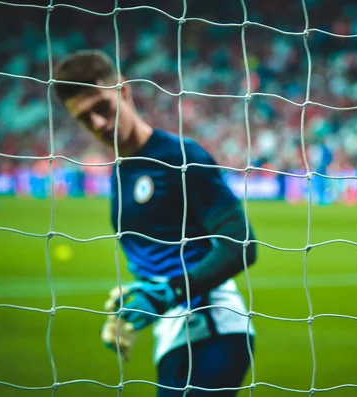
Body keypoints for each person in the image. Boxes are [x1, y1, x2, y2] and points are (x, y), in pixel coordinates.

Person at [53, 49, 257, 396]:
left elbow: (241, 245)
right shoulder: (122, 173)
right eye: (85, 118)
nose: (99, 124)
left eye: (102, 107)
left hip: (213, 329)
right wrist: (130, 305)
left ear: (123, 90)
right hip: (176, 335)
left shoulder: (181, 156)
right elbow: (157, 263)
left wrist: (167, 293)